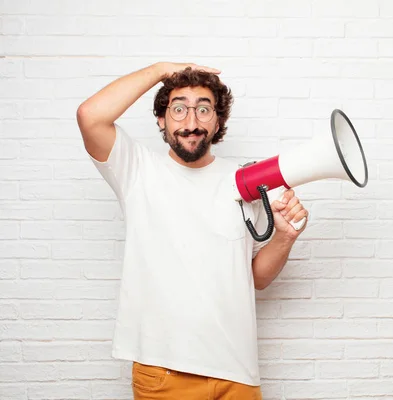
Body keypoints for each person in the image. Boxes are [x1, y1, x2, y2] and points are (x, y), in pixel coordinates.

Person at [76, 62, 308, 399]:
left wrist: (285, 236)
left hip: (238, 373)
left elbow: (256, 277)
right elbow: (89, 116)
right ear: (161, 119)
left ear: (218, 121)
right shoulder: (137, 170)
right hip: (166, 373)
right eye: (179, 108)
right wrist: (161, 71)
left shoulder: (244, 182)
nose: (191, 122)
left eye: (203, 109)